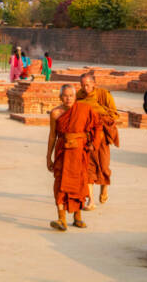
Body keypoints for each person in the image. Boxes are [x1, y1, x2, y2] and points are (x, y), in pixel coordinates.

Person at [46, 84, 101, 231]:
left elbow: (98, 126)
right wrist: (48, 157)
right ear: (60, 97)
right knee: (60, 184)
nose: (68, 98)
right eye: (65, 95)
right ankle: (61, 218)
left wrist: (93, 144)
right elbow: (52, 135)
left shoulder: (84, 109)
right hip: (62, 151)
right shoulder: (55, 113)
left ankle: (77, 217)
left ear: (75, 97)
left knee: (80, 183)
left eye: (71, 95)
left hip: (80, 152)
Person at [76, 72, 119, 207]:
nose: (85, 88)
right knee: (88, 167)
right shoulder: (79, 96)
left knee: (104, 166)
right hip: (87, 136)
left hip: (102, 136)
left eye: (88, 85)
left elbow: (114, 115)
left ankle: (104, 187)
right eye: (82, 85)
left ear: (94, 84)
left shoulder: (104, 95)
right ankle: (91, 201)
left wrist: (97, 114)